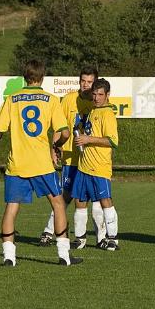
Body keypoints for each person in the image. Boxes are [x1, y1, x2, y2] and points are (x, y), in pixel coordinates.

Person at [0, 60, 82, 266]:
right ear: (42, 77)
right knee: (58, 204)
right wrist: (57, 144)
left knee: (11, 207)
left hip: (17, 163)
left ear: (25, 77)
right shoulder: (50, 99)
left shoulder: (12, 98)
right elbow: (65, 132)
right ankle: (64, 255)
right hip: (41, 163)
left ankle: (9, 257)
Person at [38, 67, 106, 249]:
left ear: (95, 84)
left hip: (92, 160)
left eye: (90, 82)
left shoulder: (98, 103)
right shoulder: (68, 100)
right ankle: (48, 232)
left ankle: (102, 238)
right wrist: (54, 148)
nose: (86, 84)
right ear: (79, 81)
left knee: (97, 200)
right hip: (71, 159)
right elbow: (58, 126)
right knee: (64, 198)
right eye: (83, 80)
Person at [71, 78, 120, 251]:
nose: (97, 97)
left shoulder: (108, 114)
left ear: (107, 95)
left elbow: (113, 141)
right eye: (94, 94)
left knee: (105, 200)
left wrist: (87, 139)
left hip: (99, 166)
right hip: (84, 166)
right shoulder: (92, 110)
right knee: (80, 201)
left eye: (100, 94)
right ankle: (80, 238)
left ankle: (113, 238)